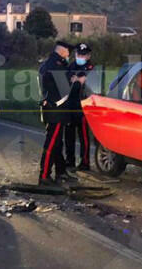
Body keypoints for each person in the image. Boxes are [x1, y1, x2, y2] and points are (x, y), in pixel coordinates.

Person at [38, 41, 74, 185]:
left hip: (51, 109)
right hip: (57, 110)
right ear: (62, 51)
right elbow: (64, 91)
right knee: (52, 143)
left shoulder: (47, 64)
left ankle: (61, 171)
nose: (69, 54)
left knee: (57, 142)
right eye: (68, 51)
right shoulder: (57, 67)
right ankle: (44, 175)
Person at [64, 42, 95, 172]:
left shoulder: (92, 68)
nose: (80, 57)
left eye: (83, 55)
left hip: (83, 107)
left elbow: (92, 85)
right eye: (78, 54)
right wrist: (77, 81)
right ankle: (70, 160)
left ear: (88, 55)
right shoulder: (71, 66)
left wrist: (78, 81)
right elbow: (66, 82)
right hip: (70, 105)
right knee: (69, 135)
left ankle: (85, 162)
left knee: (83, 136)